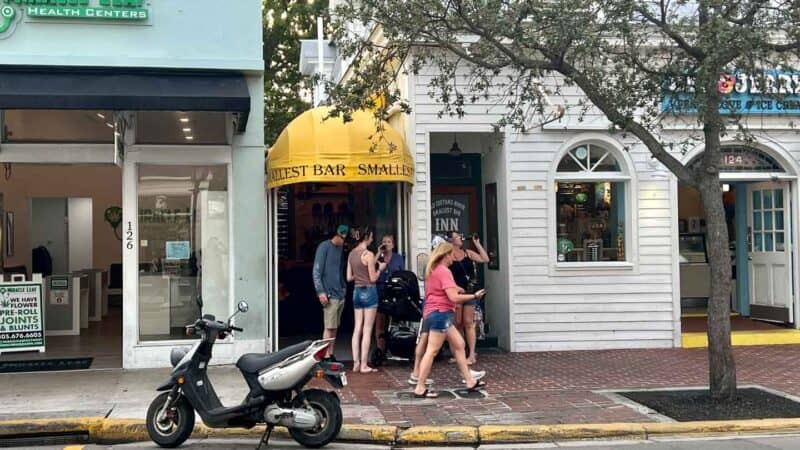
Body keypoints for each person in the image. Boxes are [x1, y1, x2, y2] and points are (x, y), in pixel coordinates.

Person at [413, 242, 487, 398]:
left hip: (433, 313)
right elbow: (453, 297)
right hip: (441, 314)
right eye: (452, 254)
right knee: (432, 351)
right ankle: (420, 386)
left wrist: (456, 288)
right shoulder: (444, 271)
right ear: (446, 255)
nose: (454, 257)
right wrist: (474, 296)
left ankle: (469, 381)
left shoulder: (432, 270)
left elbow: (442, 289)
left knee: (459, 345)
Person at [346, 227, 387, 373]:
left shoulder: (351, 254)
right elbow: (373, 278)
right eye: (371, 237)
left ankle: (356, 363)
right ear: (367, 237)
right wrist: (380, 268)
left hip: (357, 291)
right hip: (369, 291)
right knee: (367, 329)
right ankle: (364, 365)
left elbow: (349, 277)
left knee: (357, 328)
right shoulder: (368, 254)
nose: (372, 239)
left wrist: (361, 273)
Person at [448, 231, 490, 365]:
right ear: (451, 240)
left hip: (470, 291)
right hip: (456, 293)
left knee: (468, 322)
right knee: (458, 322)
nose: (461, 238)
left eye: (460, 235)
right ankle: (460, 353)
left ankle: (472, 354)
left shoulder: (468, 253)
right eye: (457, 236)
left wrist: (477, 244)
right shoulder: (448, 256)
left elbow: (485, 259)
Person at [313, 225, 349, 360]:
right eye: (342, 238)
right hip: (329, 294)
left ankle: (331, 353)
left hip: (339, 293)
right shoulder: (324, 247)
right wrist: (320, 292)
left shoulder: (340, 249)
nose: (343, 241)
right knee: (328, 326)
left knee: (334, 327)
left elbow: (339, 269)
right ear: (336, 236)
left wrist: (343, 287)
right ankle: (325, 355)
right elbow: (317, 271)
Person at [374, 234, 405, 355]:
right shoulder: (378, 257)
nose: (386, 244)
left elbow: (402, 274)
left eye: (388, 242)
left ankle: (394, 348)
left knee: (393, 321)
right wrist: (378, 254)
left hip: (394, 291)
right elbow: (371, 267)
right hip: (380, 289)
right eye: (384, 242)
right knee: (380, 321)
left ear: (393, 245)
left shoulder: (398, 258)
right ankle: (380, 350)